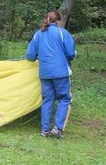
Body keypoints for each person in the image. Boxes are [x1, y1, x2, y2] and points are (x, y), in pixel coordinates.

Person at [26, 10, 76, 138]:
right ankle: (58, 129)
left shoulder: (38, 34)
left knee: (47, 99)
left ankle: (44, 130)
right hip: (61, 72)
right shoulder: (62, 33)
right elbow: (71, 53)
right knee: (65, 99)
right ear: (58, 21)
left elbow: (30, 56)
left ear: (47, 19)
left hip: (45, 73)